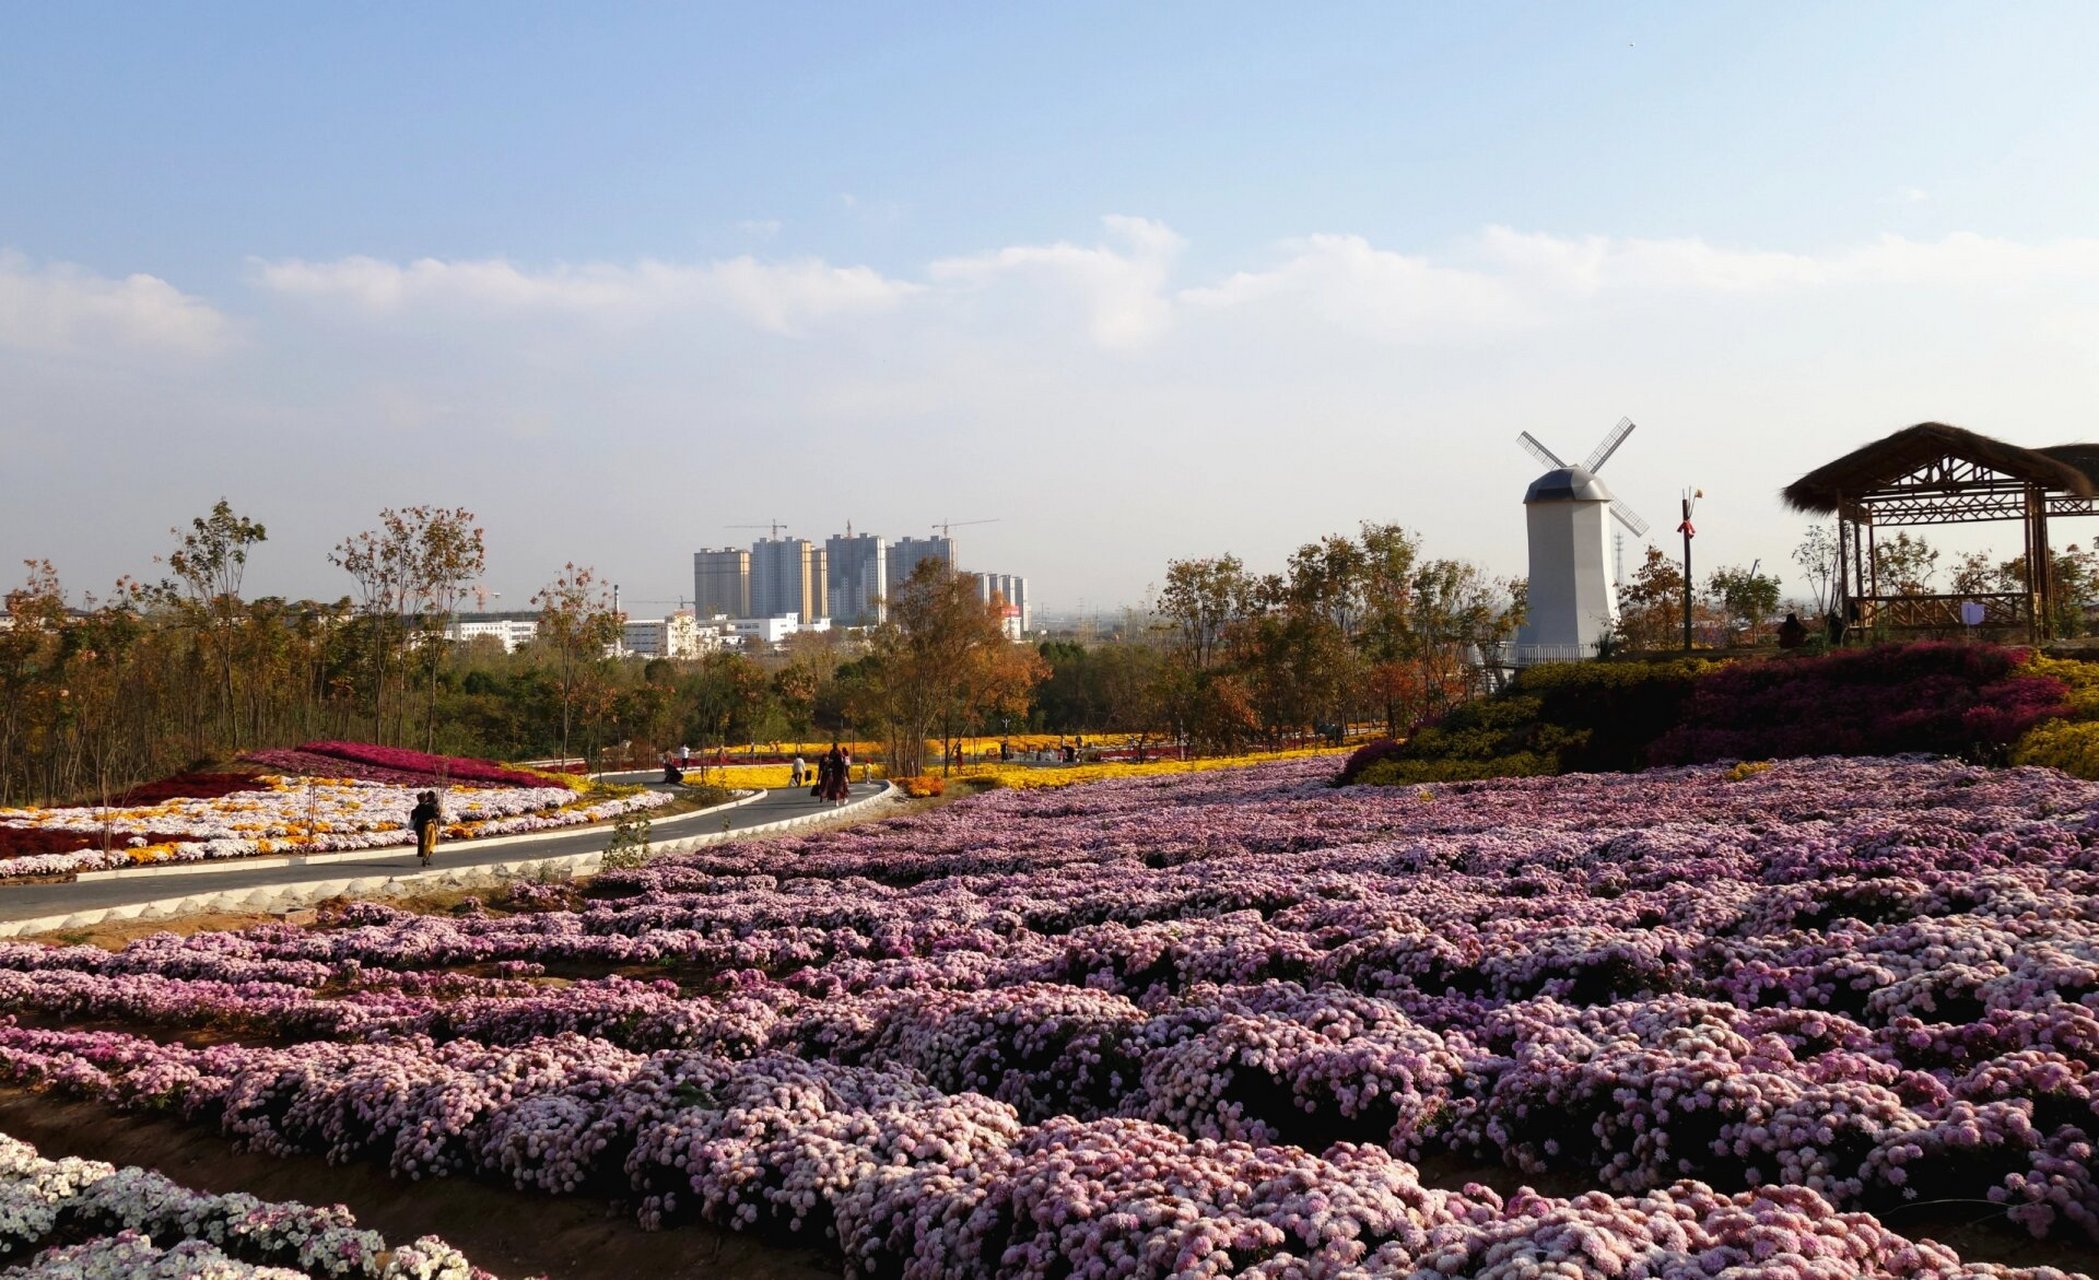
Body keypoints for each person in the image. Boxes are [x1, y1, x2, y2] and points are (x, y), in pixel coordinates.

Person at [410, 790, 441, 867]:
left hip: (421, 827)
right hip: (429, 826)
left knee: (425, 843)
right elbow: (435, 816)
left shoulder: (419, 807)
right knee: (429, 843)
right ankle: (425, 859)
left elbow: (414, 814)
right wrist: (438, 812)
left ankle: (426, 859)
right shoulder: (429, 806)